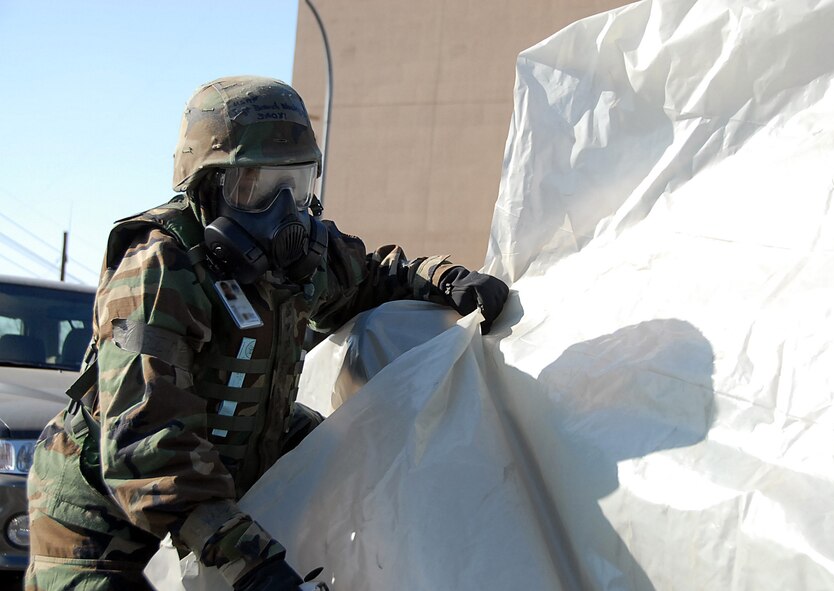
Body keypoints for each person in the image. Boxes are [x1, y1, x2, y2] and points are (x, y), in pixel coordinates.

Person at [26, 75, 509, 591]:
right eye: (255, 186)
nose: (284, 211)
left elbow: (371, 276)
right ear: (208, 188)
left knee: (358, 457)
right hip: (99, 501)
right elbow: (145, 444)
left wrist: (443, 278)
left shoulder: (301, 258)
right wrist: (252, 564)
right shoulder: (161, 267)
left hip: (242, 449)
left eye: (297, 185)